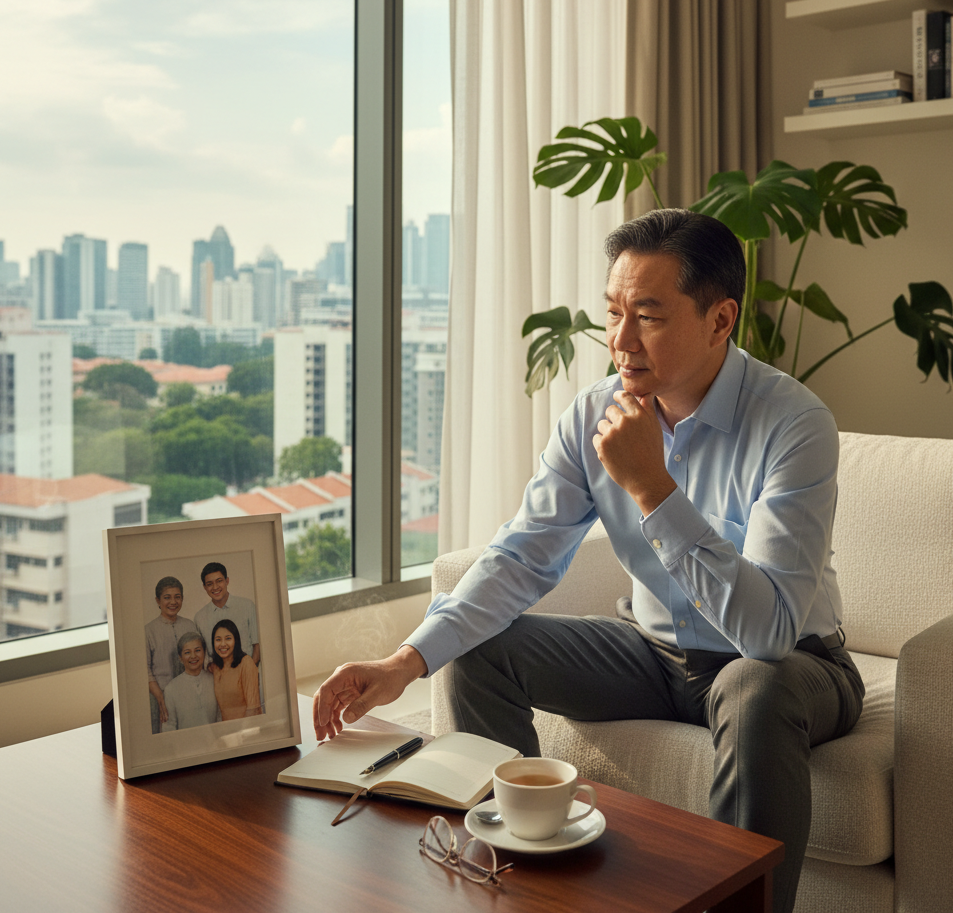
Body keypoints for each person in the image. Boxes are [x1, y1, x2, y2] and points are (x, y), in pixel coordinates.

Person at [312, 209, 865, 913]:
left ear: (720, 319)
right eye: (613, 313)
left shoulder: (794, 423)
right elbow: (518, 557)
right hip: (655, 653)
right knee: (483, 650)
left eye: (649, 316)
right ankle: (513, 883)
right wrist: (404, 662)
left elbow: (767, 633)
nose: (620, 341)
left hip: (795, 666)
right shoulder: (591, 414)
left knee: (755, 687)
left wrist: (652, 487)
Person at [144, 576, 198, 734]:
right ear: (158, 600)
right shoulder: (148, 631)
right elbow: (145, 670)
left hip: (190, 695)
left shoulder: (190, 626)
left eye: (177, 597)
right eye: (167, 597)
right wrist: (161, 698)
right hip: (160, 697)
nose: (173, 602)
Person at [194, 562, 260, 670]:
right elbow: (203, 657)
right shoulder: (199, 618)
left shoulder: (247, 606)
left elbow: (257, 645)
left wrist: (248, 672)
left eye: (219, 581)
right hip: (219, 680)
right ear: (204, 587)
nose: (215, 587)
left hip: (248, 672)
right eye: (210, 584)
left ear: (227, 581)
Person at [161, 632, 220, 731]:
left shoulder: (215, 681)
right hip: (185, 744)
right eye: (187, 652)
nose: (193, 656)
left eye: (197, 650)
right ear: (180, 658)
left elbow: (220, 717)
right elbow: (169, 728)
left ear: (204, 652)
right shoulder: (171, 689)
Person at [209, 618, 262, 720]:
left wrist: (241, 734)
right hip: (226, 730)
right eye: (218, 639)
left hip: (246, 729)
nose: (223, 644)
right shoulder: (215, 667)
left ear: (236, 640)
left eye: (228, 638)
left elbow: (253, 709)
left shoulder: (246, 663)